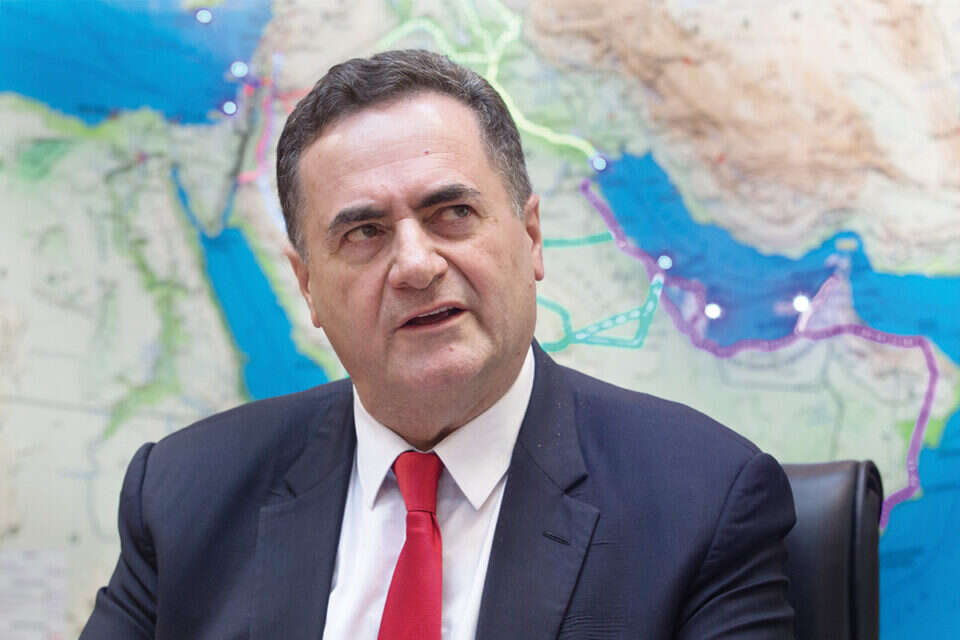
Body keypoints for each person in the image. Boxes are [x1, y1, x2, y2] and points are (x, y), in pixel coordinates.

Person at [81, 49, 796, 639]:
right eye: (364, 232)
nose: (416, 265)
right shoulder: (184, 497)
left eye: (452, 213)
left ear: (531, 236)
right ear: (308, 286)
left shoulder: (703, 503)